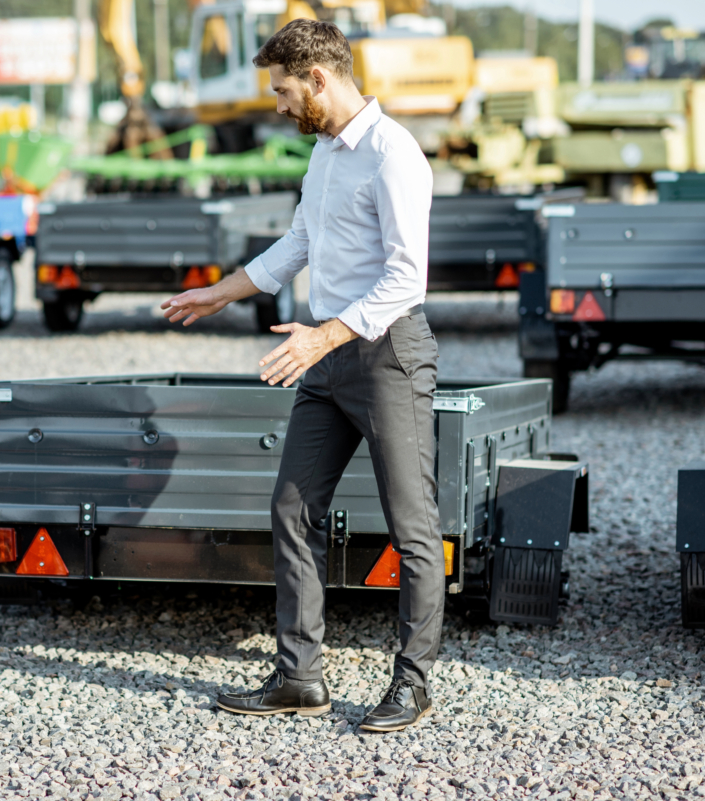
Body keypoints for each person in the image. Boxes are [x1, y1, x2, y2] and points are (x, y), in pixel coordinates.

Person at [161, 19, 441, 732]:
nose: (280, 106)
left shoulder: (393, 154)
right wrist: (218, 292)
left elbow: (407, 278)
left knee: (412, 527)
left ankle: (411, 683)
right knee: (291, 508)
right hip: (327, 353)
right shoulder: (323, 154)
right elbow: (300, 243)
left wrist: (325, 335)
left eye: (285, 91)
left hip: (386, 353)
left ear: (318, 79)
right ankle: (299, 676)